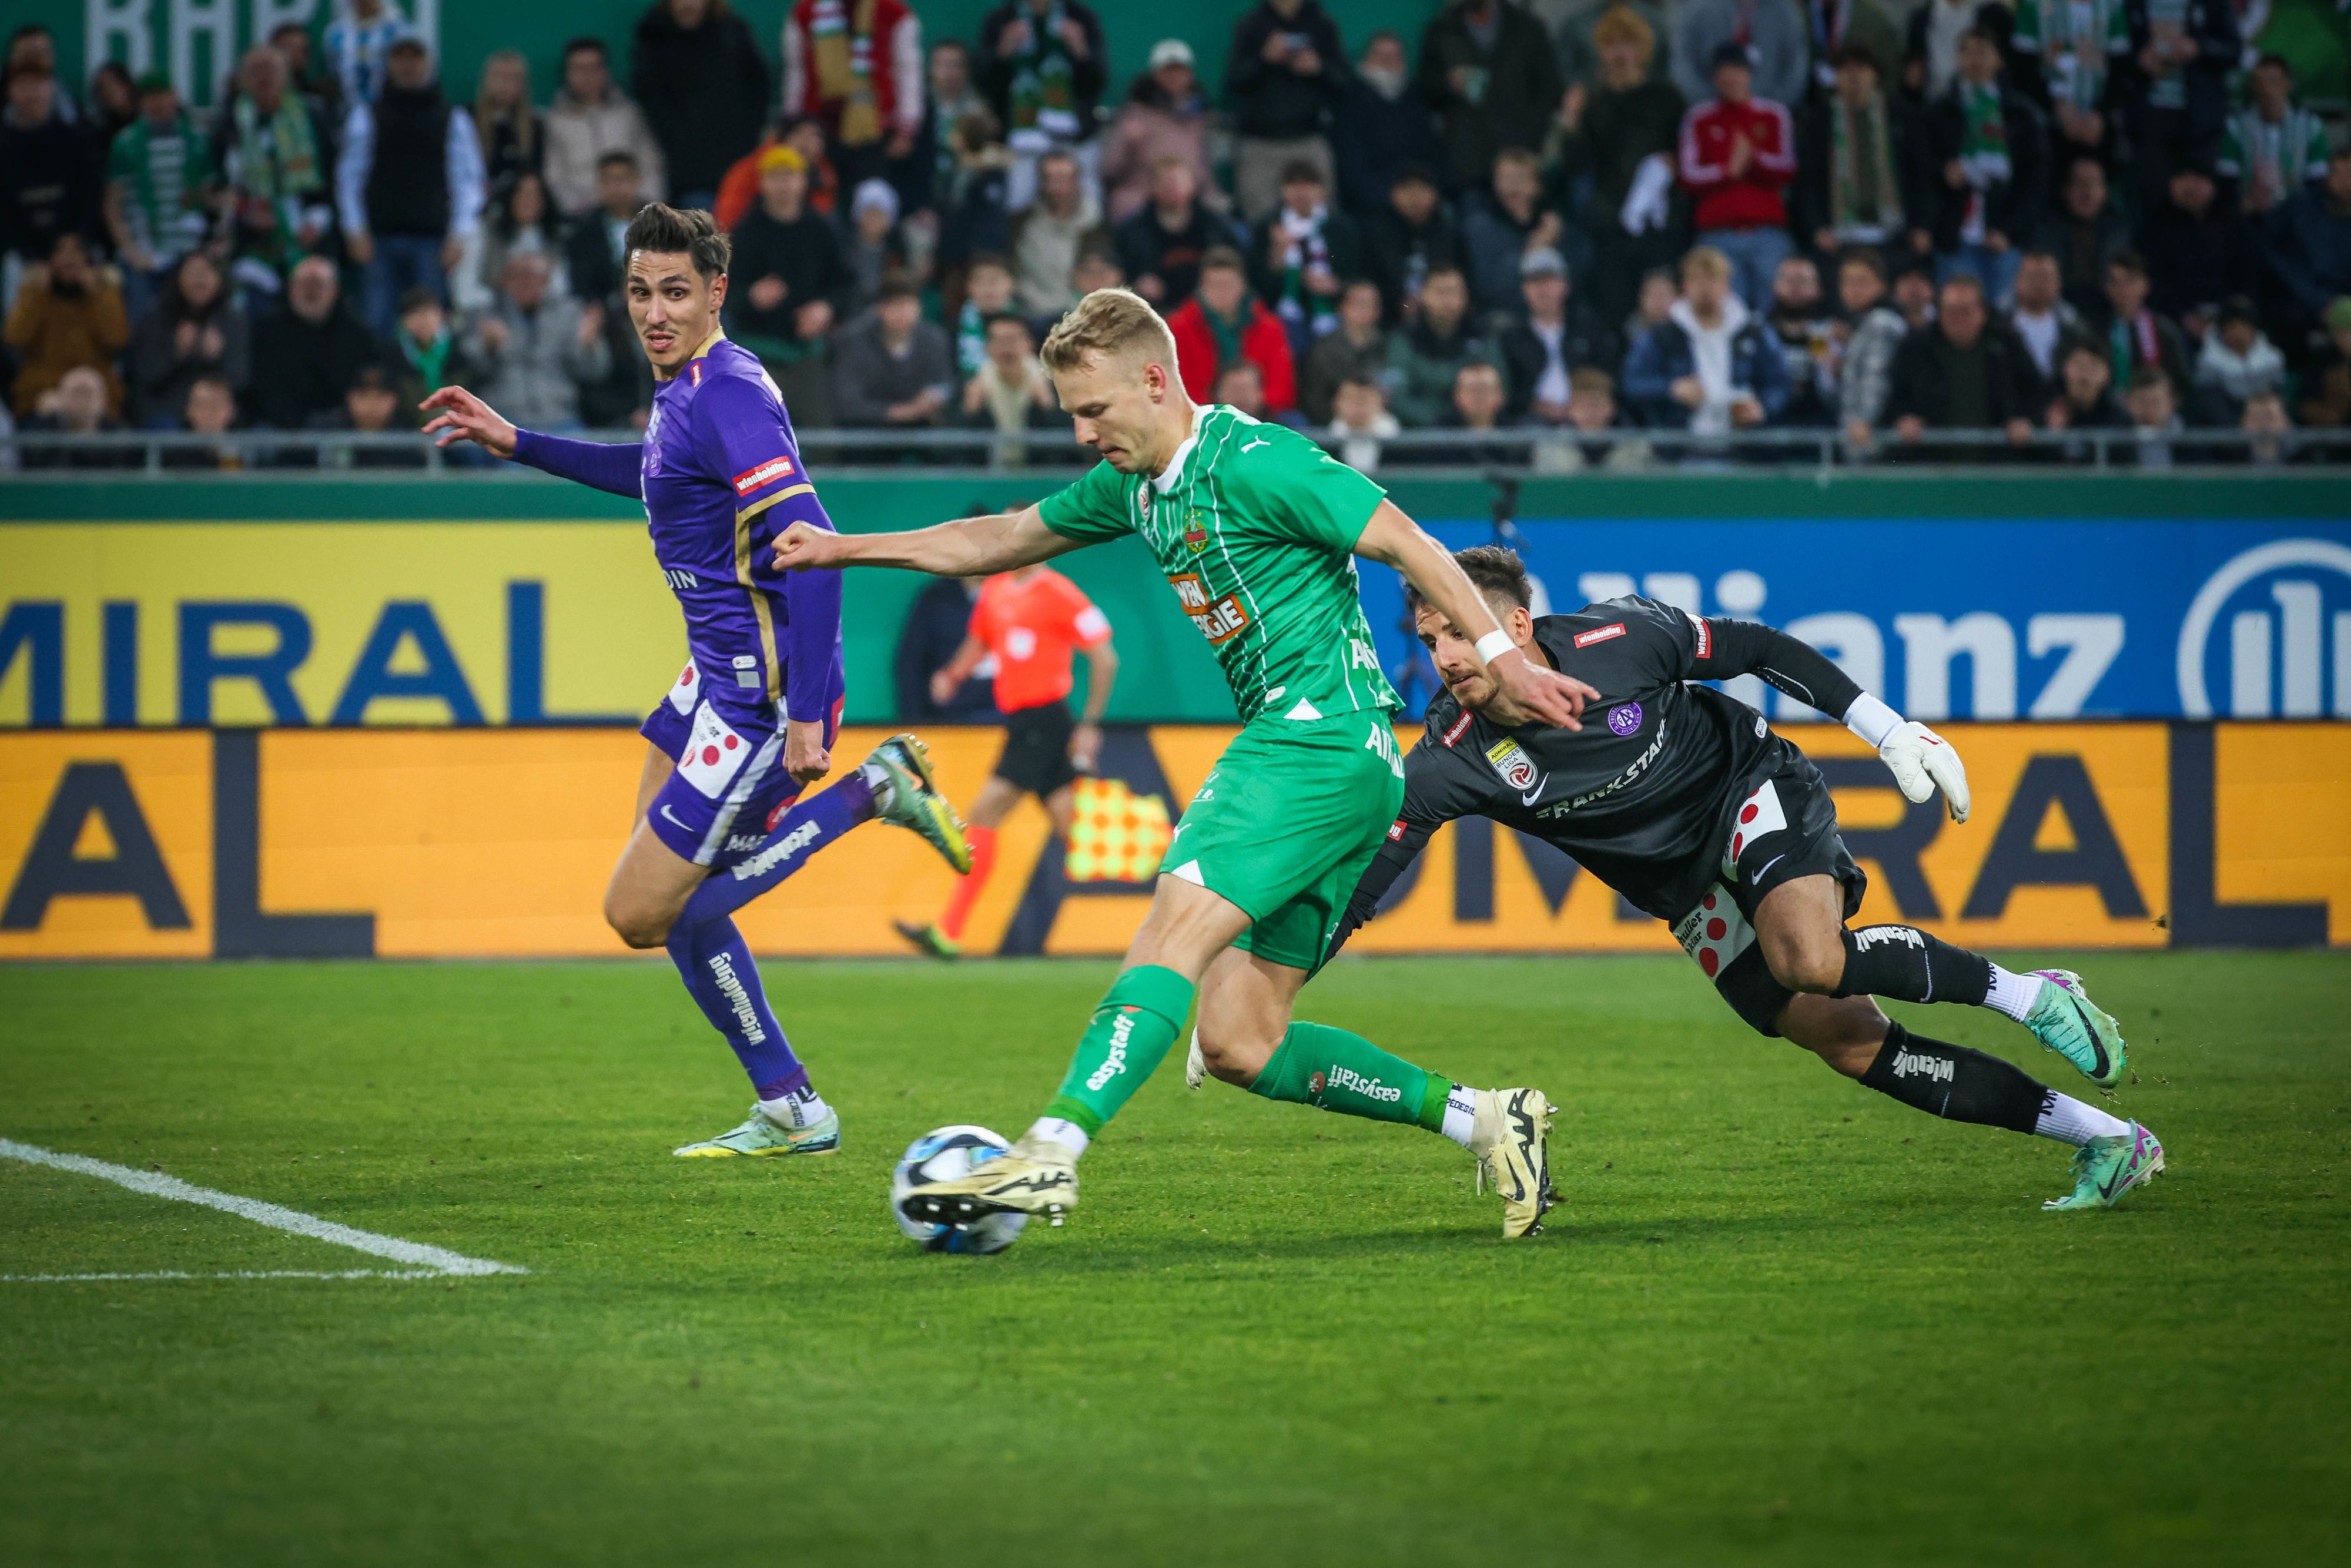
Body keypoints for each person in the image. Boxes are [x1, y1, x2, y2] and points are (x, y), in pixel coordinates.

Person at [771, 286, 1596, 1237]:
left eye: (1095, 409)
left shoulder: (1258, 460)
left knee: (1168, 937)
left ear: (1157, 382)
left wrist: (1499, 657)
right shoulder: (1131, 486)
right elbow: (998, 539)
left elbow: (1407, 542)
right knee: (1242, 1040)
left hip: (1309, 738)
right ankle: (1487, 1119)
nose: (1083, 434)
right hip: (1351, 763)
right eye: (1071, 413)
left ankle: (1048, 1151)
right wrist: (842, 547)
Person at [1325, 545, 2162, 1215]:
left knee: (1809, 957)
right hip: (1683, 889)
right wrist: (1276, 970)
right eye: (1429, 640)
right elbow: (1367, 881)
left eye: (1459, 633)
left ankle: (2030, 995)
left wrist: (1886, 729)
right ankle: (2107, 1139)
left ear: (1514, 623)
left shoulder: (1623, 638)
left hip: (1747, 788)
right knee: (1847, 1040)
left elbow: (1757, 649)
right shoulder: (1452, 756)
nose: (1444, 657)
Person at [421, 202, 970, 1159]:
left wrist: (808, 718)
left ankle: (872, 791)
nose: (654, 311)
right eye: (640, 291)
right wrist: (521, 442)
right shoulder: (688, 389)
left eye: (675, 291)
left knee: (644, 911)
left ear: (717, 291)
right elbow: (655, 474)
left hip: (762, 697)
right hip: (713, 676)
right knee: (668, 877)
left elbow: (818, 552)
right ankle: (790, 1106)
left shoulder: (726, 396)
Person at [896, 563, 1119, 959]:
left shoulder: (1060, 592)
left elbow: (1106, 659)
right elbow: (979, 639)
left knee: (984, 813)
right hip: (1022, 723)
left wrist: (1089, 725)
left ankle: (949, 932)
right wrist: (953, 675)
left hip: (1045, 720)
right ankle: (1172, 872)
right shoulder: (995, 589)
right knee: (1076, 829)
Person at [1548, 5, 1688, 327]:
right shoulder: (1595, 102)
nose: (1620, 53)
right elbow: (1576, 165)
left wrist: (1674, 169)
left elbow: (1687, 153)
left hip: (1660, 223)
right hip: (1610, 222)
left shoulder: (1667, 98)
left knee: (1663, 313)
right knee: (1613, 311)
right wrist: (1571, 123)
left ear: (1643, 50)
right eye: (1611, 44)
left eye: (1628, 43)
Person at [338, 36, 486, 336]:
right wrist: (355, 230)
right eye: (400, 59)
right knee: (376, 323)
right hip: (378, 238)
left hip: (432, 240)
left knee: (430, 328)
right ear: (389, 65)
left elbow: (468, 182)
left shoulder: (453, 118)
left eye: (415, 59)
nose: (408, 66)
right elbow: (350, 178)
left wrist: (459, 235)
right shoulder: (367, 116)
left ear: (428, 65)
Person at [1917, 23, 2047, 306]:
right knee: (1958, 311)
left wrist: (2010, 231)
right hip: (1954, 235)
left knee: (2002, 315)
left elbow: (2034, 181)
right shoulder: (1938, 113)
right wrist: (1944, 172)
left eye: (1983, 52)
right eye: (1967, 52)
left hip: (2003, 237)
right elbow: (1921, 170)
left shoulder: (2021, 115)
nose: (1974, 60)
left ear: (1999, 60)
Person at [725, 145, 849, 414]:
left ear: (803, 182)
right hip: (756, 353)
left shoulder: (823, 230)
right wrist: (752, 296)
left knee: (819, 433)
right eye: (775, 177)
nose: (783, 185)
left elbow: (846, 284)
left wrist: (825, 309)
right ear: (763, 183)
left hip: (809, 354)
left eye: (790, 176)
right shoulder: (744, 232)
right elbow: (723, 293)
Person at [1622, 244, 1790, 436]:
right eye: (1697, 280)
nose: (1705, 288)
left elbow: (1780, 383)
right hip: (1681, 444)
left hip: (1743, 444)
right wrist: (1672, 388)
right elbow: (1632, 382)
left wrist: (1763, 407)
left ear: (1727, 284)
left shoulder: (1754, 332)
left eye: (1712, 279)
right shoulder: (1662, 335)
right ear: (1685, 286)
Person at [1678, 45, 1799, 309]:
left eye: (1737, 70)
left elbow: (1788, 167)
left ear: (1749, 74)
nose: (1730, 77)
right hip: (1717, 232)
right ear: (1714, 77)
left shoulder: (1773, 115)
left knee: (1777, 307)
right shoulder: (1699, 118)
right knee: (1725, 310)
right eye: (1724, 71)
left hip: (1767, 231)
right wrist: (1727, 171)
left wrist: (1753, 161)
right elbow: (1688, 175)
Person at [632, 0, 771, 209]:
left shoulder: (733, 33)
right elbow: (652, 101)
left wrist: (745, 137)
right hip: (687, 173)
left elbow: (758, 86)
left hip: (736, 162)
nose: (688, 4)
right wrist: (680, 143)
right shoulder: (653, 38)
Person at [1418, 0, 1566, 193]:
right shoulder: (1442, 30)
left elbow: (1550, 91)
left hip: (1519, 161)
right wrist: (1449, 84)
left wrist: (1531, 139)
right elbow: (1427, 90)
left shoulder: (1527, 28)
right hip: (1467, 165)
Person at [976, 0, 1110, 211]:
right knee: (1016, 202)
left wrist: (1080, 50)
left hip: (1075, 135)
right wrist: (1003, 51)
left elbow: (1097, 83)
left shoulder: (1081, 17)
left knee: (1089, 206)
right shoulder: (1001, 20)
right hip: (1021, 137)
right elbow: (986, 86)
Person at [778, 0, 923, 193]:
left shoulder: (893, 13)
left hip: (875, 130)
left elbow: (908, 71)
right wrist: (791, 125)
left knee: (869, 195)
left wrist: (905, 127)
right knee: (821, 193)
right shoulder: (805, 12)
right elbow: (796, 71)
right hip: (818, 130)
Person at [1886, 273, 2038, 453]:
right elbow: (1895, 395)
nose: (1958, 319)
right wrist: (1903, 418)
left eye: (1965, 311)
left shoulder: (2006, 345)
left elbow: (2033, 390)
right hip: (1931, 460)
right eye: (1951, 311)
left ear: (1982, 312)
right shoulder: (1915, 348)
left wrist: (2024, 419)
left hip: (1995, 460)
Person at [1225, 0, 1349, 222]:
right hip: (1260, 144)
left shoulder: (1322, 25)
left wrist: (1319, 68)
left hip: (1309, 140)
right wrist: (1264, 59)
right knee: (1261, 222)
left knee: (1320, 222)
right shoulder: (1251, 25)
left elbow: (1345, 84)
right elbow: (1234, 82)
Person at [103, 72, 215, 314]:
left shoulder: (198, 140)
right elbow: (113, 205)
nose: (159, 102)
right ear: (141, 102)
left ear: (175, 96)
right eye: (151, 96)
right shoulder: (126, 143)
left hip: (187, 251)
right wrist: (131, 251)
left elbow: (209, 195)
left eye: (164, 94)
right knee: (144, 324)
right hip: (144, 252)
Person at [462, 252, 610, 433]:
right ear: (505, 280)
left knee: (587, 448)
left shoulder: (569, 314)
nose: (526, 283)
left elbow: (595, 372)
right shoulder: (484, 316)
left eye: (534, 276)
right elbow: (470, 372)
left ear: (547, 281)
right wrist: (489, 349)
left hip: (560, 416)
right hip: (503, 417)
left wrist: (590, 345)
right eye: (519, 276)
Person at [1793, 45, 1909, 262]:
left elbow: (1918, 173)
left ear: (1875, 74)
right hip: (1837, 235)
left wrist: (1921, 225)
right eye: (1845, 69)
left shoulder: (1900, 116)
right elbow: (1807, 180)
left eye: (1861, 68)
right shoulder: (1818, 121)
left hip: (1895, 232)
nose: (1853, 76)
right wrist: (1817, 227)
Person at [5, 233, 129, 419]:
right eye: (60, 252)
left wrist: (97, 295)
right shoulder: (37, 293)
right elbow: (16, 338)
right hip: (42, 395)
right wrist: (35, 293)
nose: (69, 260)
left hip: (96, 396)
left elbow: (117, 340)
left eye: (76, 252)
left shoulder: (103, 292)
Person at [247, 253, 378, 429]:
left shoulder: (357, 335)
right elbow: (264, 387)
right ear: (291, 288)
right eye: (304, 284)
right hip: (279, 428)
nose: (311, 291)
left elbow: (364, 384)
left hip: (345, 427)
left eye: (318, 284)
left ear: (335, 290)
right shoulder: (267, 332)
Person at [544, 38, 667, 217]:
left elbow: (651, 166)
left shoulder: (630, 113)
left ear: (606, 71)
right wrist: (583, 209)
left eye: (594, 68)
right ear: (567, 73)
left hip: (634, 213)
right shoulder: (554, 121)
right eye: (579, 69)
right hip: (582, 217)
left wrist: (643, 204)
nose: (587, 76)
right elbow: (554, 179)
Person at [1167, 247, 1298, 415]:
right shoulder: (1179, 328)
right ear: (1202, 287)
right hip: (1202, 416)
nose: (1222, 293)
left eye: (1228, 285)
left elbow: (1283, 387)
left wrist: (1255, 401)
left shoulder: (1270, 328)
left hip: (1262, 414)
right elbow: (1178, 386)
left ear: (1243, 285)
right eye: (1215, 286)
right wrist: (1218, 407)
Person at [127, 250, 249, 428]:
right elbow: (144, 375)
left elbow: (242, 379)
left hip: (219, 416)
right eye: (193, 273)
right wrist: (177, 354)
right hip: (169, 412)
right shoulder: (156, 317)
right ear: (178, 278)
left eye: (206, 272)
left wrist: (217, 356)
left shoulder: (233, 320)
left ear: (220, 279)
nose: (200, 280)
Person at [1251, 160, 1361, 354]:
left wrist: (1336, 286)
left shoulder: (1342, 228)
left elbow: (1358, 273)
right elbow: (1258, 286)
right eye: (1293, 185)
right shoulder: (1267, 228)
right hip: (1284, 315)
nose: (1301, 192)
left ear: (1322, 190)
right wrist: (1277, 254)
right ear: (1282, 190)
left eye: (1309, 184)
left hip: (1335, 311)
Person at [1100, 41, 1215, 225]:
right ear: (1155, 74)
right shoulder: (1136, 113)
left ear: (1190, 75)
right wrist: (1127, 143)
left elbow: (1204, 172)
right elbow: (1108, 169)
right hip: (1142, 200)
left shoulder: (1197, 118)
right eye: (1168, 71)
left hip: (1188, 203)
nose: (1174, 77)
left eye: (1180, 71)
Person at [1, 63, 100, 274]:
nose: (31, 93)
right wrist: (28, 255)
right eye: (23, 85)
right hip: (17, 255)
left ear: (52, 88)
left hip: (75, 249)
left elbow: (91, 199)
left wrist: (73, 245)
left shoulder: (78, 140)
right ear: (10, 90)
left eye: (38, 84)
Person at [1331, 29, 1440, 220]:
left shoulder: (1417, 99)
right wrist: (1389, 199)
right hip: (1369, 206)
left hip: (1420, 200)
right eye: (1381, 56)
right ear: (1367, 59)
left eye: (1394, 56)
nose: (1388, 62)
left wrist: (1420, 196)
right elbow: (1351, 166)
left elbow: (1432, 155)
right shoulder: (1350, 100)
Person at [1111, 156, 1241, 310]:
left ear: (1192, 184)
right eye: (1167, 183)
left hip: (1208, 309)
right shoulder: (1132, 231)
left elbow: (1236, 264)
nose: (1173, 189)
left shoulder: (1216, 226)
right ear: (1153, 187)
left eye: (1179, 182)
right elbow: (1118, 273)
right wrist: (1137, 283)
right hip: (1154, 310)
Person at [2140, 159, 2259, 325]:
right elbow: (2154, 281)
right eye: (2182, 177)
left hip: (2230, 318)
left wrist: (2233, 315)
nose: (2189, 186)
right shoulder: (2155, 227)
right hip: (2174, 320)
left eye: (2197, 179)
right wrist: (2183, 317)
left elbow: (2248, 277)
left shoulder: (2235, 224)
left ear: (2212, 184)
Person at [1499, 247, 1610, 424]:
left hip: (1587, 418)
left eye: (1549, 280)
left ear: (1565, 285)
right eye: (1535, 281)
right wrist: (1534, 405)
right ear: (1524, 289)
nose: (1543, 289)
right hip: (1531, 421)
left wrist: (1581, 404)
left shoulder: (1588, 329)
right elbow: (1508, 389)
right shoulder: (1511, 337)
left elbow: (1605, 373)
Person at [2010, 0, 2127, 166]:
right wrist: (2056, 108)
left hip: (2096, 127)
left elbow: (2121, 66)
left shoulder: (2113, 5)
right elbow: (2023, 67)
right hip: (2046, 126)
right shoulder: (2032, 4)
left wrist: (2101, 114)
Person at [1381, 265, 1498, 427]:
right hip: (1419, 433)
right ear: (1423, 296)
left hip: (1475, 429)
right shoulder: (1405, 339)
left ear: (1466, 296)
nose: (1448, 300)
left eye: (1454, 292)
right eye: (1440, 292)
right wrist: (1442, 422)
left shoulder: (1482, 336)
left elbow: (1499, 389)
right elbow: (1397, 399)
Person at [2218, 54, 2331, 217]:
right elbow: (2227, 178)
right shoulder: (2235, 127)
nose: (2265, 89)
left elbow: (2318, 180)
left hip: (2298, 213)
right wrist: (2244, 201)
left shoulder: (2310, 127)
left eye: (2273, 82)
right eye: (2259, 83)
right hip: (2249, 212)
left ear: (2288, 85)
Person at [833, 277, 954, 428]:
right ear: (880, 308)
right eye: (895, 305)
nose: (902, 314)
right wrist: (896, 413)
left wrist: (933, 398)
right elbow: (848, 401)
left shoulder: (934, 339)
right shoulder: (854, 341)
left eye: (908, 305)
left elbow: (945, 384)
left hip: (923, 429)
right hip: (867, 431)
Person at [1461, 147, 1565, 317]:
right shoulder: (1479, 228)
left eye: (1521, 179)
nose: (1513, 186)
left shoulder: (1554, 225)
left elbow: (1576, 279)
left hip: (1552, 318)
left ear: (1538, 186)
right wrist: (1535, 249)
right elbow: (1490, 287)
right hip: (1500, 317)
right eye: (1506, 178)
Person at [452, 170, 570, 317]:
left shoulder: (553, 239)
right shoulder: (486, 231)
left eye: (534, 195)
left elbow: (560, 290)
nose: (528, 201)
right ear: (511, 198)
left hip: (542, 317)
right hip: (491, 313)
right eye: (522, 194)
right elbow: (465, 289)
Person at [1009, 149, 1106, 319]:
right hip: (1027, 314)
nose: (1058, 189)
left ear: (1077, 181)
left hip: (1080, 315)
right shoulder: (1021, 224)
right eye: (1051, 179)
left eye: (1065, 179)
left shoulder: (1096, 226)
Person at [1362, 163, 1465, 324]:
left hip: (1445, 318)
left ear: (1435, 194)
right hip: (1388, 320)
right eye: (1407, 189)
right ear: (1393, 194)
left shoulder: (1450, 234)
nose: (1414, 197)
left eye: (1422, 189)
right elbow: (1371, 282)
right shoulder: (1375, 234)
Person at [958, 309, 1062, 465]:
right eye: (999, 340)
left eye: (1013, 340)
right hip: (988, 475)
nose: (1007, 349)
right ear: (987, 346)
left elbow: (1066, 448)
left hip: (1037, 474)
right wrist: (971, 412)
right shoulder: (973, 384)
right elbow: (956, 450)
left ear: (1030, 344)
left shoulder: (1053, 383)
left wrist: (1047, 408)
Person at [2035, 154, 2128, 317]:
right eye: (2080, 183)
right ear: (2065, 190)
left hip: (2108, 312)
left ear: (2105, 191)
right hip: (2059, 312)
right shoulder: (2046, 230)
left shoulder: (2118, 232)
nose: (2088, 192)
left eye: (2095, 183)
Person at [1832, 247, 1908, 447]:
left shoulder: (1881, 323)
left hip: (1869, 437)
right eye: (1847, 282)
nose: (1854, 290)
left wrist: (1865, 420)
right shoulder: (1859, 326)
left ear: (1882, 285)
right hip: (1856, 433)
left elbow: (1877, 377)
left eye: (1862, 282)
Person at [1674, 0, 1809, 110]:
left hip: (1767, 117)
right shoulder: (1700, 8)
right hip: (1710, 112)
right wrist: (1708, 105)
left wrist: (1769, 106)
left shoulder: (1784, 11)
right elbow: (1682, 63)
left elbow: (1795, 68)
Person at [2098, 249, 2192, 398]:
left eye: (2130, 281)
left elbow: (2182, 381)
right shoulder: (2098, 331)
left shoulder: (2165, 330)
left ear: (2146, 285)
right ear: (2106, 288)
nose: (2123, 290)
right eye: (2115, 282)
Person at [1299, 276, 1387, 425]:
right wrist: (1347, 412)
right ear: (1343, 307)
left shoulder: (1387, 345)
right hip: (1334, 425)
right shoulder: (1324, 350)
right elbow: (1314, 399)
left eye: (1373, 305)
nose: (1367, 310)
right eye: (1360, 303)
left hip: (1379, 421)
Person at [1766, 253, 1837, 424]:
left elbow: (1830, 388)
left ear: (1818, 289)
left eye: (1803, 281)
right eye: (1789, 280)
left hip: (1821, 424)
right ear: (1774, 286)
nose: (1796, 288)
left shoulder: (1828, 334)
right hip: (1770, 425)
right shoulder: (1760, 335)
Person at [2192, 294, 2286, 423]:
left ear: (2253, 329)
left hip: (2268, 422)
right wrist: (2242, 426)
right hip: (2227, 426)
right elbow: (2215, 408)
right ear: (2223, 331)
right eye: (2232, 327)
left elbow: (2280, 400)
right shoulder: (2209, 362)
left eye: (2244, 326)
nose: (2238, 332)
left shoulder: (2273, 358)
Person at [2004, 247, 2079, 396]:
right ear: (2017, 281)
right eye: (2032, 276)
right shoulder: (1998, 327)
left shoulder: (2074, 329)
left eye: (2045, 277)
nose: (2038, 283)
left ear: (2059, 283)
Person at [472, 50, 544, 192]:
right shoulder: (467, 119)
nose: (505, 84)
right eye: (499, 77)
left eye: (513, 78)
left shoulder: (535, 126)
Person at [323, 0, 409, 109]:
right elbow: (333, 72)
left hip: (390, 109)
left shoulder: (398, 30)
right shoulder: (336, 33)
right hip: (346, 109)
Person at [953, 253, 1018, 380]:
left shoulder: (1027, 327)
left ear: (1011, 284)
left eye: (995, 280)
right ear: (969, 287)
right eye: (981, 281)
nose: (989, 288)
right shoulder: (952, 329)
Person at [1327, 373, 1401, 468]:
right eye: (1352, 399)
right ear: (1337, 403)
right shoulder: (1324, 446)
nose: (1358, 405)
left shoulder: (1404, 447)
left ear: (1379, 402)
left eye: (1365, 399)